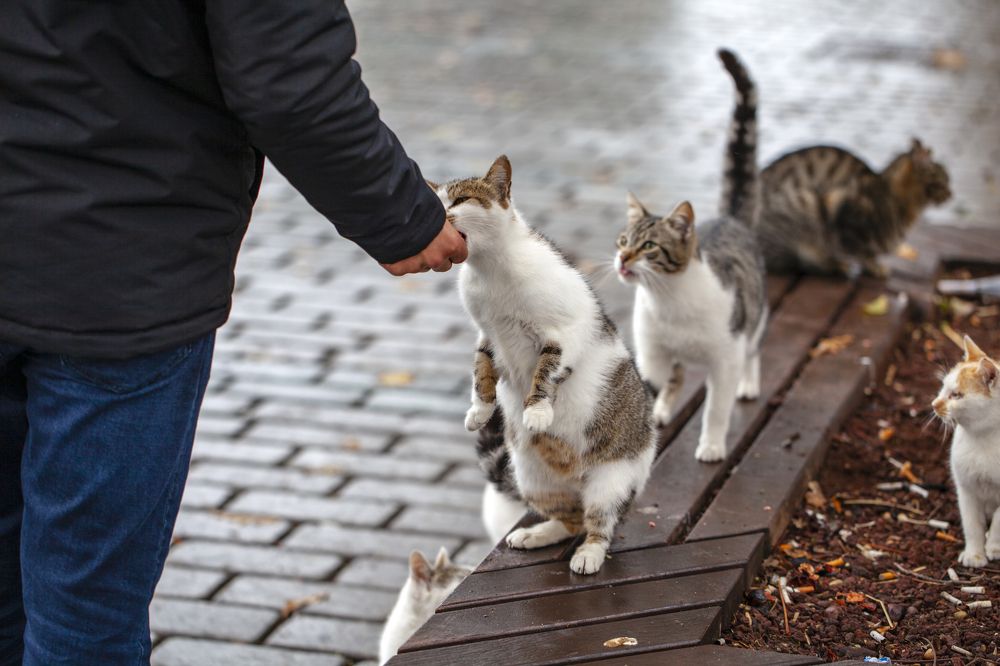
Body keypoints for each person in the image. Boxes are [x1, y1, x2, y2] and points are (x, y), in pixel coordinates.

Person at [0, 2, 467, 664]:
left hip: (97, 257)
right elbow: (285, 71)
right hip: (116, 274)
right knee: (85, 614)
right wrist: (402, 216)